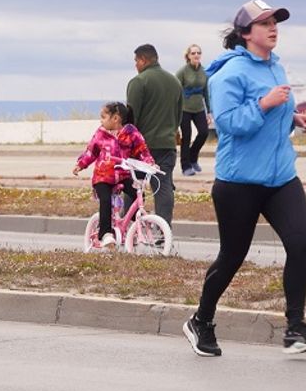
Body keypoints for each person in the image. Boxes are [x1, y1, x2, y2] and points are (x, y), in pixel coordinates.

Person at [183, 0, 306, 357]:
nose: (273, 28)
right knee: (233, 255)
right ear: (246, 33)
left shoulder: (275, 66)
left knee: (300, 244)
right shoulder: (229, 74)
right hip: (239, 182)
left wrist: (292, 118)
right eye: (265, 23)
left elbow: (276, 109)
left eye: (276, 22)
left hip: (280, 176)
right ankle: (201, 320)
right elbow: (230, 124)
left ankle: (295, 329)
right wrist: (264, 105)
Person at [72, 102, 155, 249]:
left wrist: (150, 164)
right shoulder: (100, 134)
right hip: (102, 177)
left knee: (138, 195)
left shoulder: (132, 134)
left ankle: (133, 226)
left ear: (115, 118)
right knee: (105, 200)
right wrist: (81, 164)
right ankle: (105, 234)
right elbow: (91, 152)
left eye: (103, 117)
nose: (101, 120)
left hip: (123, 176)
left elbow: (143, 151)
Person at [126, 43, 182, 226]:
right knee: (163, 187)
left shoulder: (139, 82)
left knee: (134, 187)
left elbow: (131, 119)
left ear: (143, 60)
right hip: (167, 145)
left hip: (141, 147)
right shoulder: (175, 82)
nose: (135, 65)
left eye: (136, 61)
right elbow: (178, 114)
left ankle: (130, 230)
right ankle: (163, 231)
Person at [175, 44, 212, 176]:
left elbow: (206, 92)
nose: (196, 55)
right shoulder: (182, 71)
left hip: (199, 108)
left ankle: (193, 157)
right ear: (188, 56)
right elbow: (175, 91)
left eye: (198, 53)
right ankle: (186, 166)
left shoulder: (204, 72)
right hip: (184, 108)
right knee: (187, 136)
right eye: (193, 53)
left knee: (203, 133)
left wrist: (209, 111)